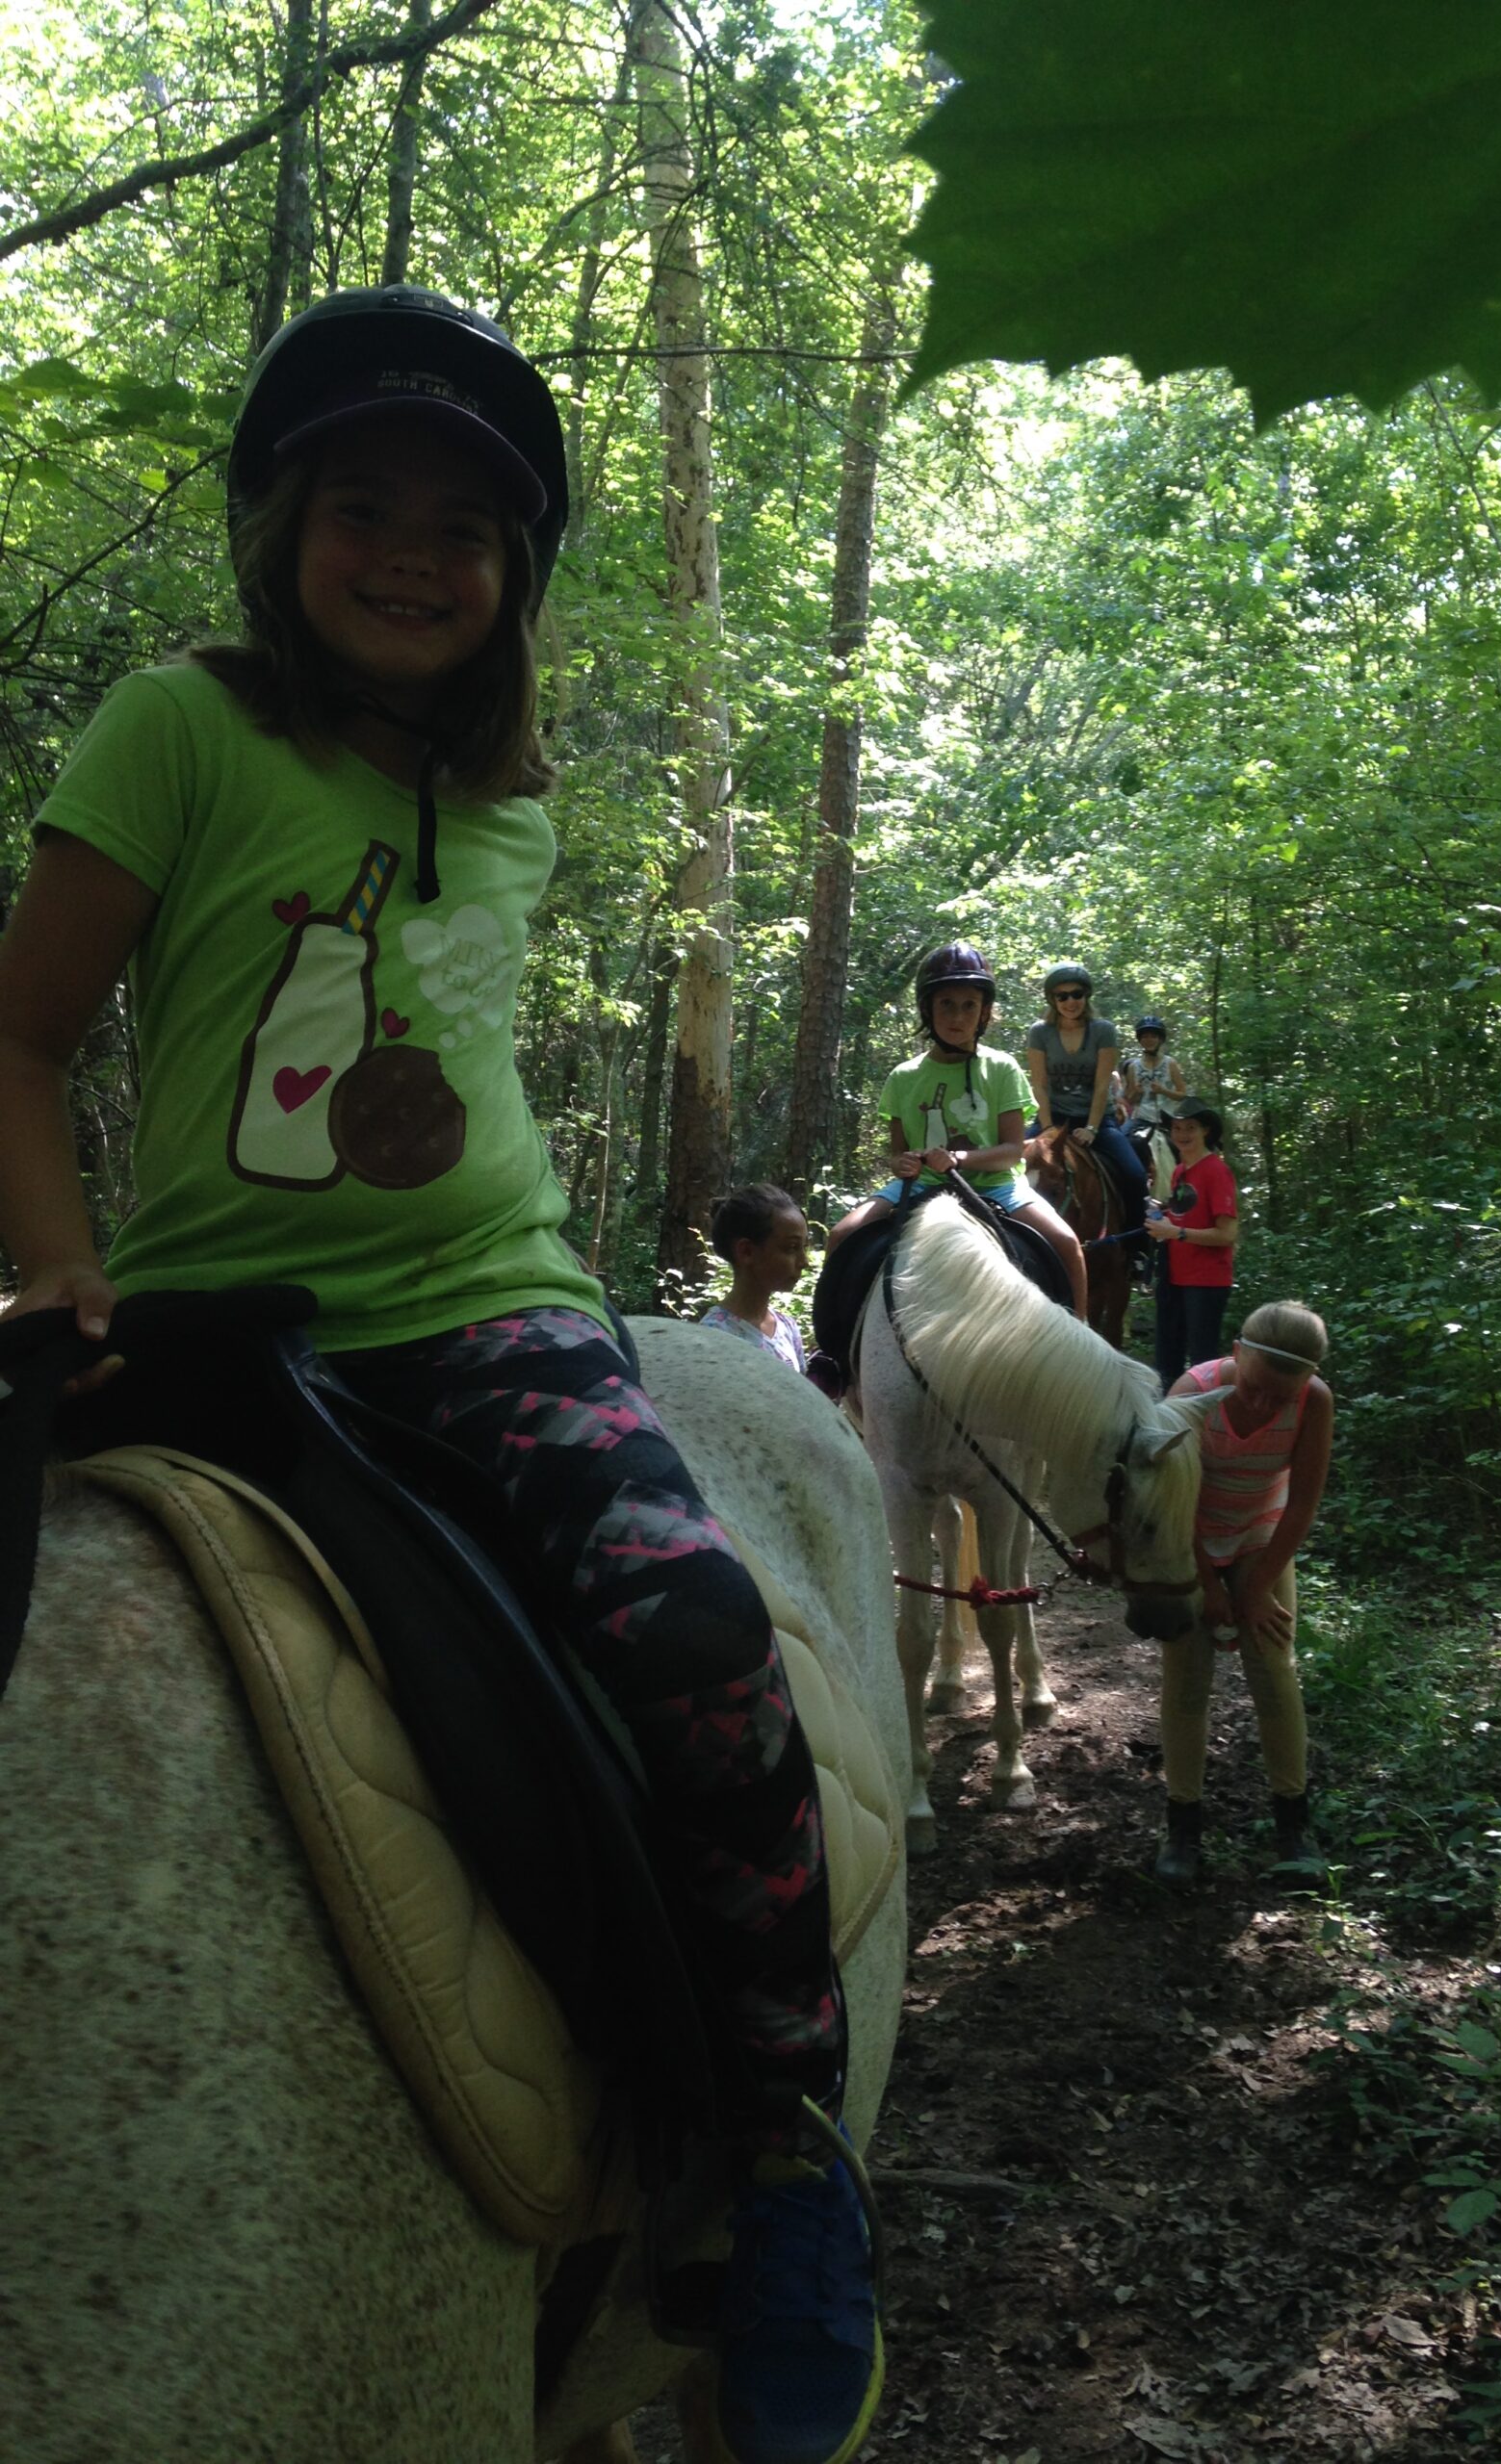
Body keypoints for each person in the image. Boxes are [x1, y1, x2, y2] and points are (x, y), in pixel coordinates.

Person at [0, 286, 878, 2464]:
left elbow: (448, 1062)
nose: (411, 548)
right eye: (363, 501)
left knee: (691, 1627)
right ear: (281, 526)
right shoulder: (178, 727)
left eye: (463, 522)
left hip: (487, 1308)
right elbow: (19, 1029)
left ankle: (777, 2156)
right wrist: (61, 1269)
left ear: (516, 576)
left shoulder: (512, 797)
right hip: (206, 1320)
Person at [1156, 1301, 1333, 1886]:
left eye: (1278, 1399)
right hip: (1191, 1536)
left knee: (1273, 1667)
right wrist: (1209, 1586)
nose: (1261, 1405)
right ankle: (1182, 1825)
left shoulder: (1315, 1402)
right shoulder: (1192, 1394)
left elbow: (1303, 1501)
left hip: (1262, 1532)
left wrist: (1255, 1589)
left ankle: (1293, 1824)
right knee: (1187, 1677)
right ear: (1236, 1355)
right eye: (1254, 1388)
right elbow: (1171, 1502)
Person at [826, 940, 1088, 1317]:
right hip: (919, 1186)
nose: (957, 1016)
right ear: (928, 1009)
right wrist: (903, 1164)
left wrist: (957, 1158)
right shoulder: (903, 1077)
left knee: (1066, 1242)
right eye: (946, 1003)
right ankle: (832, 1347)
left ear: (984, 1012)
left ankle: (1080, 1329)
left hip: (996, 1186)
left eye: (969, 1005)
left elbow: (1012, 1150)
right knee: (841, 1235)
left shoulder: (1001, 1069)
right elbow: (897, 1153)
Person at [1022, 962, 1148, 1225]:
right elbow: (1040, 1085)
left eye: (1076, 994)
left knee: (1134, 1175)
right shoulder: (1040, 1032)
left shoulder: (1102, 1030)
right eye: (1062, 996)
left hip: (1097, 1121)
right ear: (1053, 999)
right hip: (1052, 1120)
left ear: (1086, 996)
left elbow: (1102, 1085)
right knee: (1007, 1167)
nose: (1071, 1001)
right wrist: (1047, 1130)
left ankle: (1138, 1248)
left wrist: (1091, 1127)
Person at [1148, 1096, 1238, 1390]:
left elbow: (1227, 1234)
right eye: (1176, 1128)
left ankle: (1205, 1425)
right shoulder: (1178, 1171)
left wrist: (1177, 1233)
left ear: (1206, 1131)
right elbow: (1186, 1215)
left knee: (1203, 1363)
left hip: (1206, 1282)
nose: (1182, 1135)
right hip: (1174, 1277)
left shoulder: (1216, 1171)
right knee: (1167, 1360)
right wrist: (1161, 1210)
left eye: (1190, 1128)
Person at [704, 1183, 809, 1373]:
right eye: (792, 1248)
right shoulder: (713, 1336)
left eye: (804, 1247)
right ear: (747, 1252)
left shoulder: (787, 1328)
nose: (804, 1262)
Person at [1122, 1014, 1186, 1131]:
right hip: (1140, 1119)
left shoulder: (1170, 1063)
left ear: (1160, 1039)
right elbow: (1130, 1101)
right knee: (1121, 1138)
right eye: (1145, 1037)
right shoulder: (1133, 1067)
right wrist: (1137, 1093)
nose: (1149, 1040)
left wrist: (1163, 1091)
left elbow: (1182, 1095)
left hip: (1167, 1119)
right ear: (1140, 1040)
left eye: (1153, 1036)